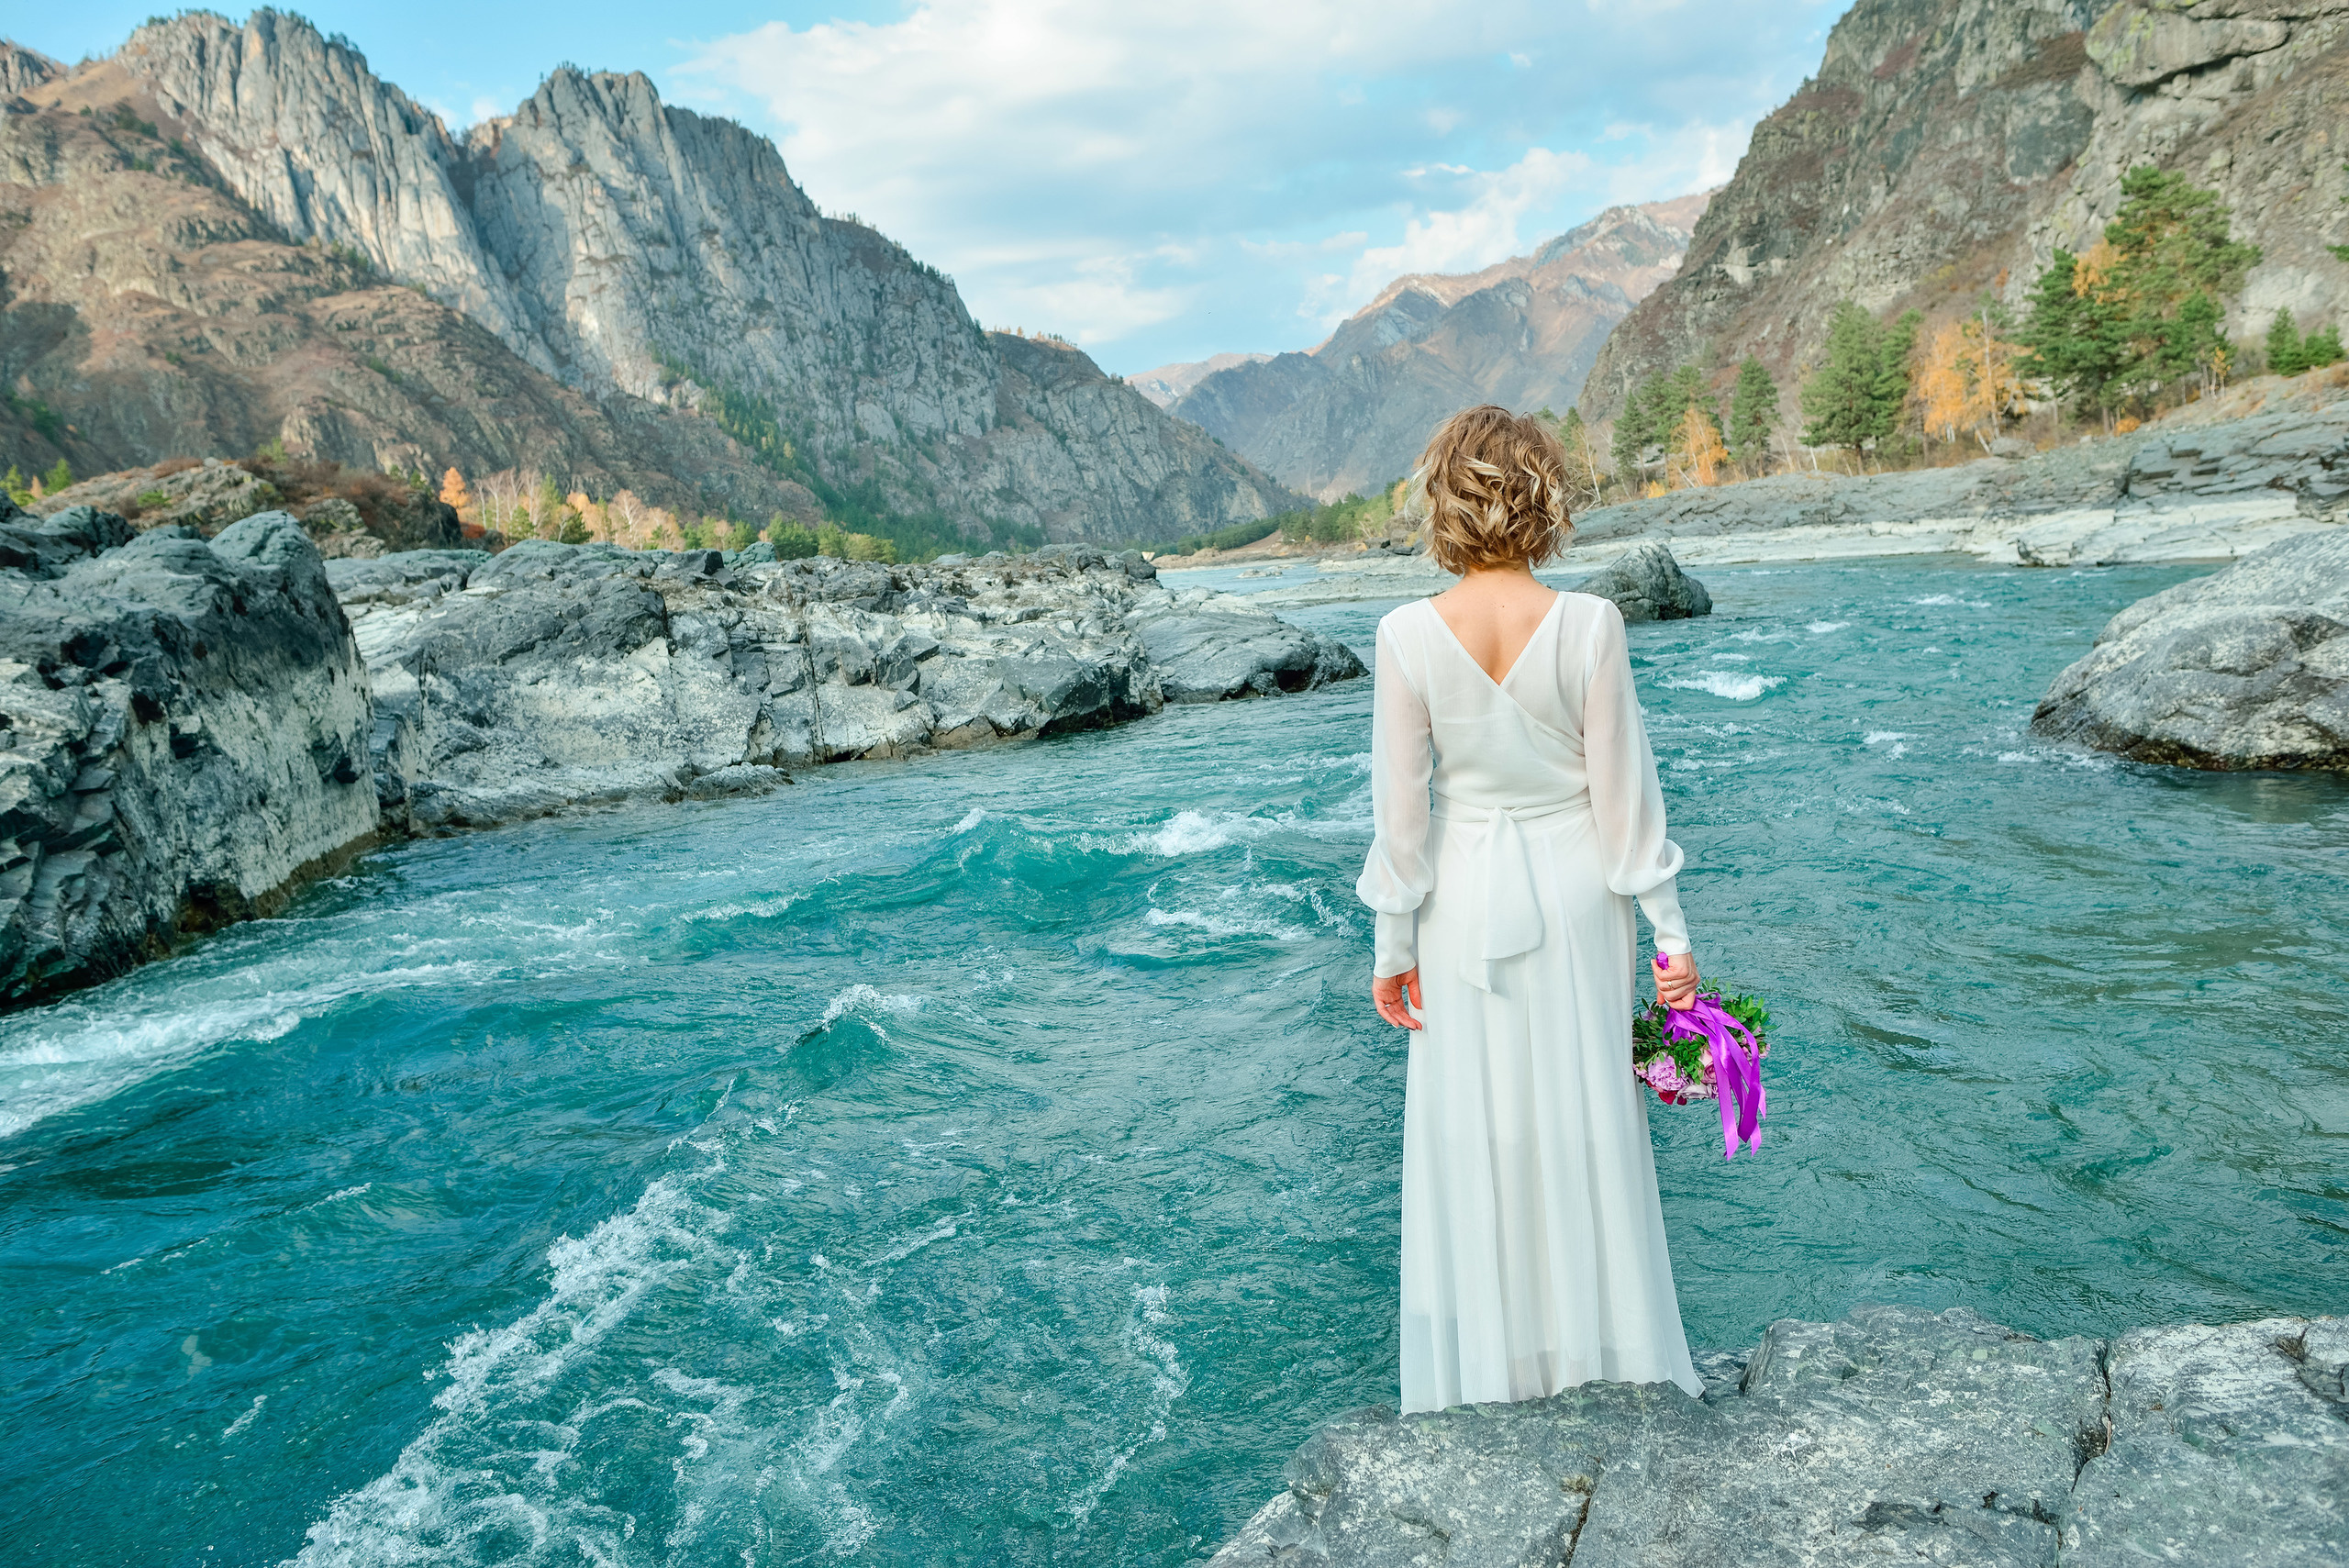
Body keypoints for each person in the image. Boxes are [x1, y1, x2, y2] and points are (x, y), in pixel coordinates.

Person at [1356, 404, 1705, 1412]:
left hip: (1460, 901)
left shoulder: (1405, 633)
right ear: (1543, 497)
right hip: (1575, 890)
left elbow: (1401, 817)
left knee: (1473, 1130)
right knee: (1586, 1118)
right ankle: (1608, 1358)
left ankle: (1488, 1377)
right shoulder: (1591, 624)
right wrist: (1669, 935)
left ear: (1445, 500)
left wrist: (1391, 943)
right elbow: (1625, 801)